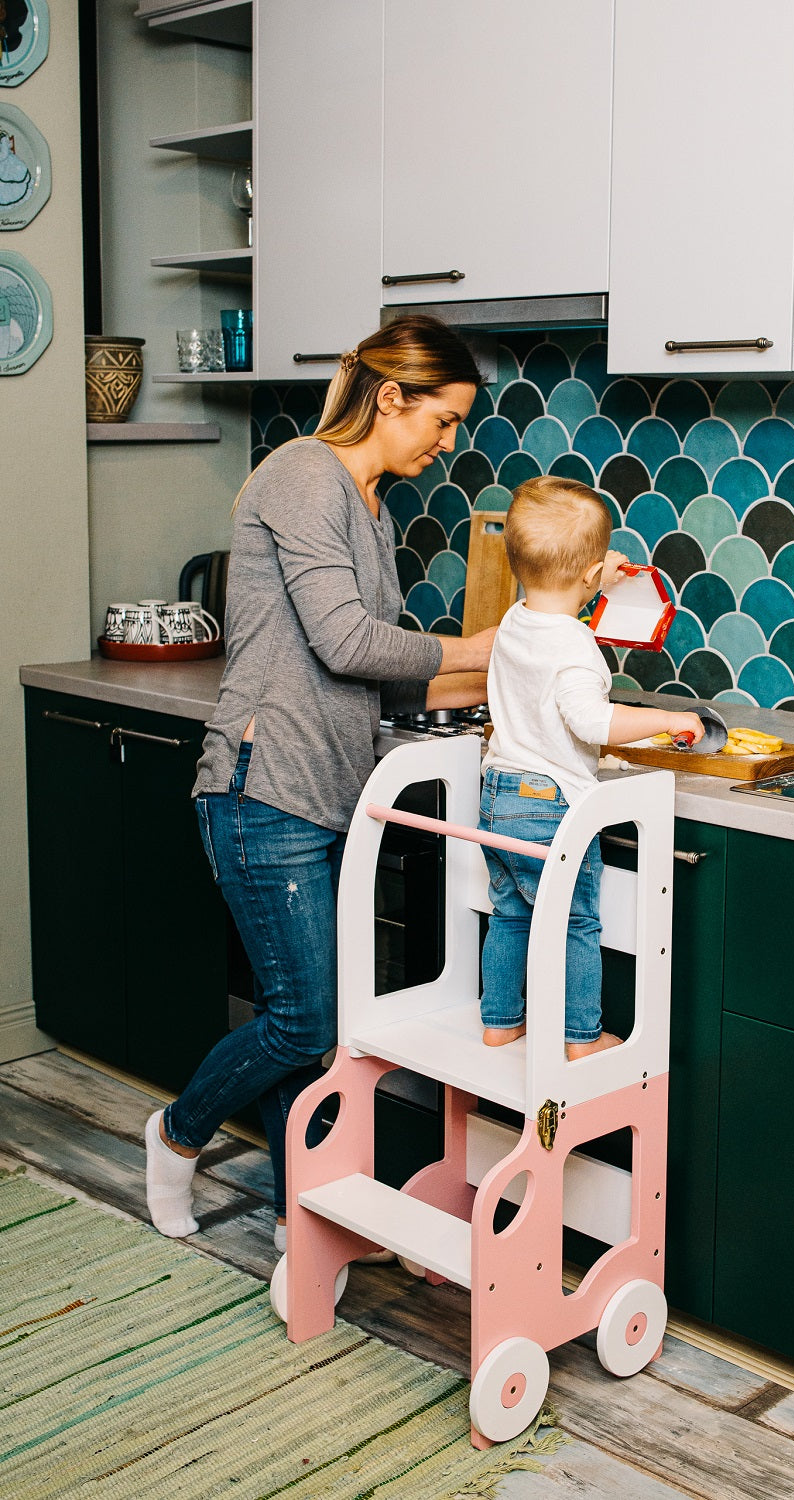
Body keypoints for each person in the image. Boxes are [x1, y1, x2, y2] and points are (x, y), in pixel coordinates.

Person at [145, 315, 494, 1248]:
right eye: (445, 420)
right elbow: (346, 641)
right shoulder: (302, 474)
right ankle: (176, 1136)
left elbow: (387, 668)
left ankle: (304, 1212)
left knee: (313, 1024)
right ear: (393, 397)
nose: (448, 443)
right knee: (305, 1021)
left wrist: (531, 648)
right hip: (264, 787)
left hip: (330, 790)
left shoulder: (369, 505)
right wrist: (478, 646)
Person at [478, 475, 704, 1058]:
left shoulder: (513, 622)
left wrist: (598, 571)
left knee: (510, 914)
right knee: (577, 921)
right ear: (588, 574)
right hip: (549, 805)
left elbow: (567, 591)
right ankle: (580, 1037)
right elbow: (593, 723)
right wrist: (667, 721)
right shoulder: (576, 646)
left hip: (498, 794)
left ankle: (500, 1021)